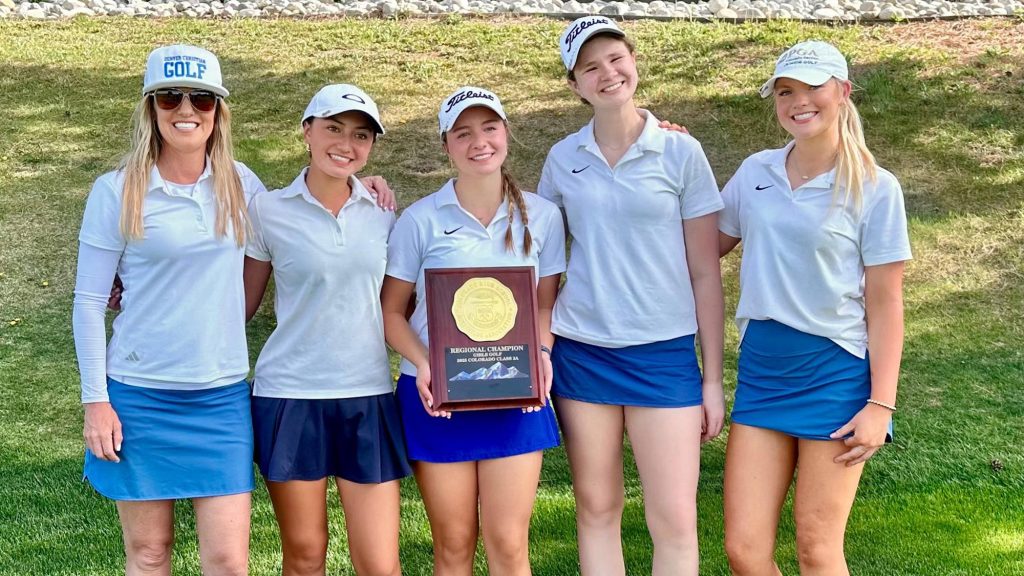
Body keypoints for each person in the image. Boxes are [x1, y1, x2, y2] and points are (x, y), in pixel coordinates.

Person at [537, 17, 726, 576]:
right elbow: (543, 264)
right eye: (590, 67)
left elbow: (704, 274)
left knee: (673, 518)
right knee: (597, 508)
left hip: (663, 354)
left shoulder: (680, 153)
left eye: (616, 58)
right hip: (583, 351)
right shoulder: (561, 159)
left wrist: (711, 381)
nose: (607, 73)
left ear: (634, 62)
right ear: (575, 86)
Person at [718, 41, 911, 575]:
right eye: (785, 91)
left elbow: (886, 302)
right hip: (762, 370)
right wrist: (670, 156)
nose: (798, 101)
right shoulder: (756, 171)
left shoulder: (875, 187)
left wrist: (881, 405)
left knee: (817, 550)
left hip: (834, 375)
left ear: (843, 92)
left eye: (812, 87)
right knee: (745, 551)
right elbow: (702, 244)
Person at [73, 44, 265, 576]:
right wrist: (96, 402)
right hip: (137, 397)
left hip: (220, 397)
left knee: (227, 561)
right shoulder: (116, 191)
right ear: (150, 108)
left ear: (218, 111)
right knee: (149, 553)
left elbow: (298, 225)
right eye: (170, 97)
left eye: (201, 99)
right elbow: (89, 302)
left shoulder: (243, 184)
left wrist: (362, 187)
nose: (186, 109)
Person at [381, 86, 566, 576]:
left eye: (489, 128)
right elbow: (391, 313)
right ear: (446, 145)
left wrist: (542, 354)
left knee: (508, 543)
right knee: (454, 544)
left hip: (516, 393)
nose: (478, 141)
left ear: (506, 133)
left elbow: (544, 304)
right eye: (462, 133)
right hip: (435, 396)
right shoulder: (419, 220)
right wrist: (425, 365)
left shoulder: (543, 215)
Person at [241, 84, 410, 576]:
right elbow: (239, 305)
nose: (346, 143)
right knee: (305, 555)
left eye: (361, 135)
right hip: (289, 397)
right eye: (333, 128)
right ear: (307, 132)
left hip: (368, 393)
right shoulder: (267, 210)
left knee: (379, 564)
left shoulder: (384, 212)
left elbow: (404, 305)